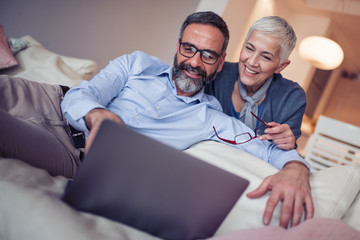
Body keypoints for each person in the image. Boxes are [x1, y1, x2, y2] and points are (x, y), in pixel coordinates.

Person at [0, 11, 313, 228]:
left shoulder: (211, 118)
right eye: (189, 49)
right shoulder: (137, 63)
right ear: (177, 47)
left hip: (71, 153)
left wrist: (296, 169)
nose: (194, 62)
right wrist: (98, 116)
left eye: (207, 55)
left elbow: (269, 149)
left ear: (219, 64)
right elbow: (83, 94)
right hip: (51, 98)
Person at [205, 16, 306, 150]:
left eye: (265, 57)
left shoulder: (292, 97)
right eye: (249, 48)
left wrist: (287, 142)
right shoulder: (217, 72)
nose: (252, 62)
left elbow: (283, 152)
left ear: (281, 66)